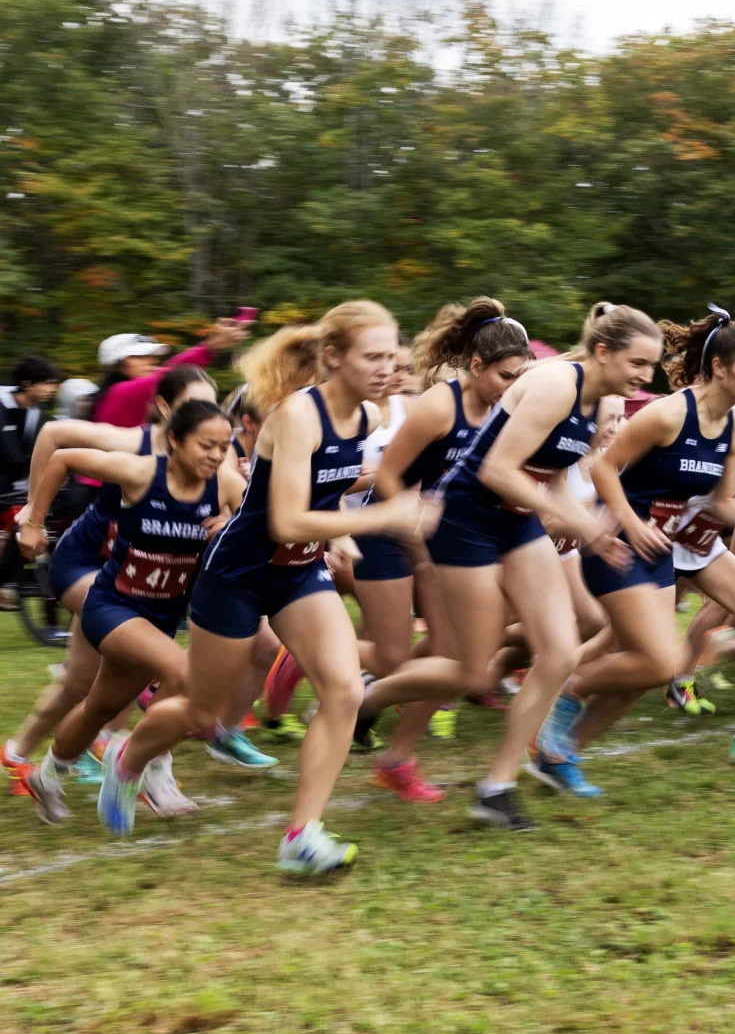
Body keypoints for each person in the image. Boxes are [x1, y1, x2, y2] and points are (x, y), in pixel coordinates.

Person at [95, 302, 438, 875]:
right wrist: (382, 518)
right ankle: (128, 758)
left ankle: (302, 835)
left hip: (300, 574)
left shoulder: (368, 420)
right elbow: (289, 521)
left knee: (345, 691)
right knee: (202, 712)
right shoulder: (298, 415)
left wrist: (380, 483)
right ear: (334, 358)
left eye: (391, 355)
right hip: (239, 574)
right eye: (372, 356)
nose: (387, 367)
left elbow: (324, 479)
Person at [353, 303, 654, 832]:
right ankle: (367, 695)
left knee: (559, 653)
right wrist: (579, 525)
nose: (645, 377)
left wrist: (577, 520)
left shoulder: (597, 399)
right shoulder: (558, 383)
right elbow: (497, 470)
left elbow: (552, 474)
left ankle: (497, 788)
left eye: (651, 367)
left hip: (515, 524)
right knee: (470, 669)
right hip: (467, 520)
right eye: (639, 363)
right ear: (603, 351)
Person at [549, 310, 735, 777]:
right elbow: (605, 468)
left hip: (665, 547)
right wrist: (631, 522)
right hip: (622, 542)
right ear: (721, 367)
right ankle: (564, 694)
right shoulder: (667, 414)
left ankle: (561, 754)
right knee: (652, 661)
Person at [22, 400, 244, 824]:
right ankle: (139, 764)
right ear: (174, 440)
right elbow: (62, 457)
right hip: (112, 605)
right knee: (182, 673)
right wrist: (33, 520)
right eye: (206, 445)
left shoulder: (226, 485)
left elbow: (259, 526)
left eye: (224, 446)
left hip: (161, 616)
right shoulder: (141, 472)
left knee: (99, 710)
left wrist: (231, 526)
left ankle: (48, 775)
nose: (216, 455)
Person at [353, 299, 534, 800]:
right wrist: (414, 534)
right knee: (408, 655)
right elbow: (388, 476)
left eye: (521, 377)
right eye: (504, 375)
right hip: (389, 529)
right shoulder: (439, 406)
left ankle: (388, 741)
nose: (512, 387)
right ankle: (362, 696)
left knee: (454, 656)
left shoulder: (510, 409)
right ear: (476, 366)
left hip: (451, 540)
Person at [91, 320, 252, 429]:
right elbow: (168, 374)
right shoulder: (120, 392)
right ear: (118, 365)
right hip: (103, 479)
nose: (151, 361)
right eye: (140, 356)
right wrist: (210, 347)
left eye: (152, 356)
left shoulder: (128, 395)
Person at [2, 354, 61, 494]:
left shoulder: (36, 410)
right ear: (26, 384)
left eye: (54, 383)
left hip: (11, 488)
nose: (52, 388)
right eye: (46, 383)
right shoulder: (2, 407)